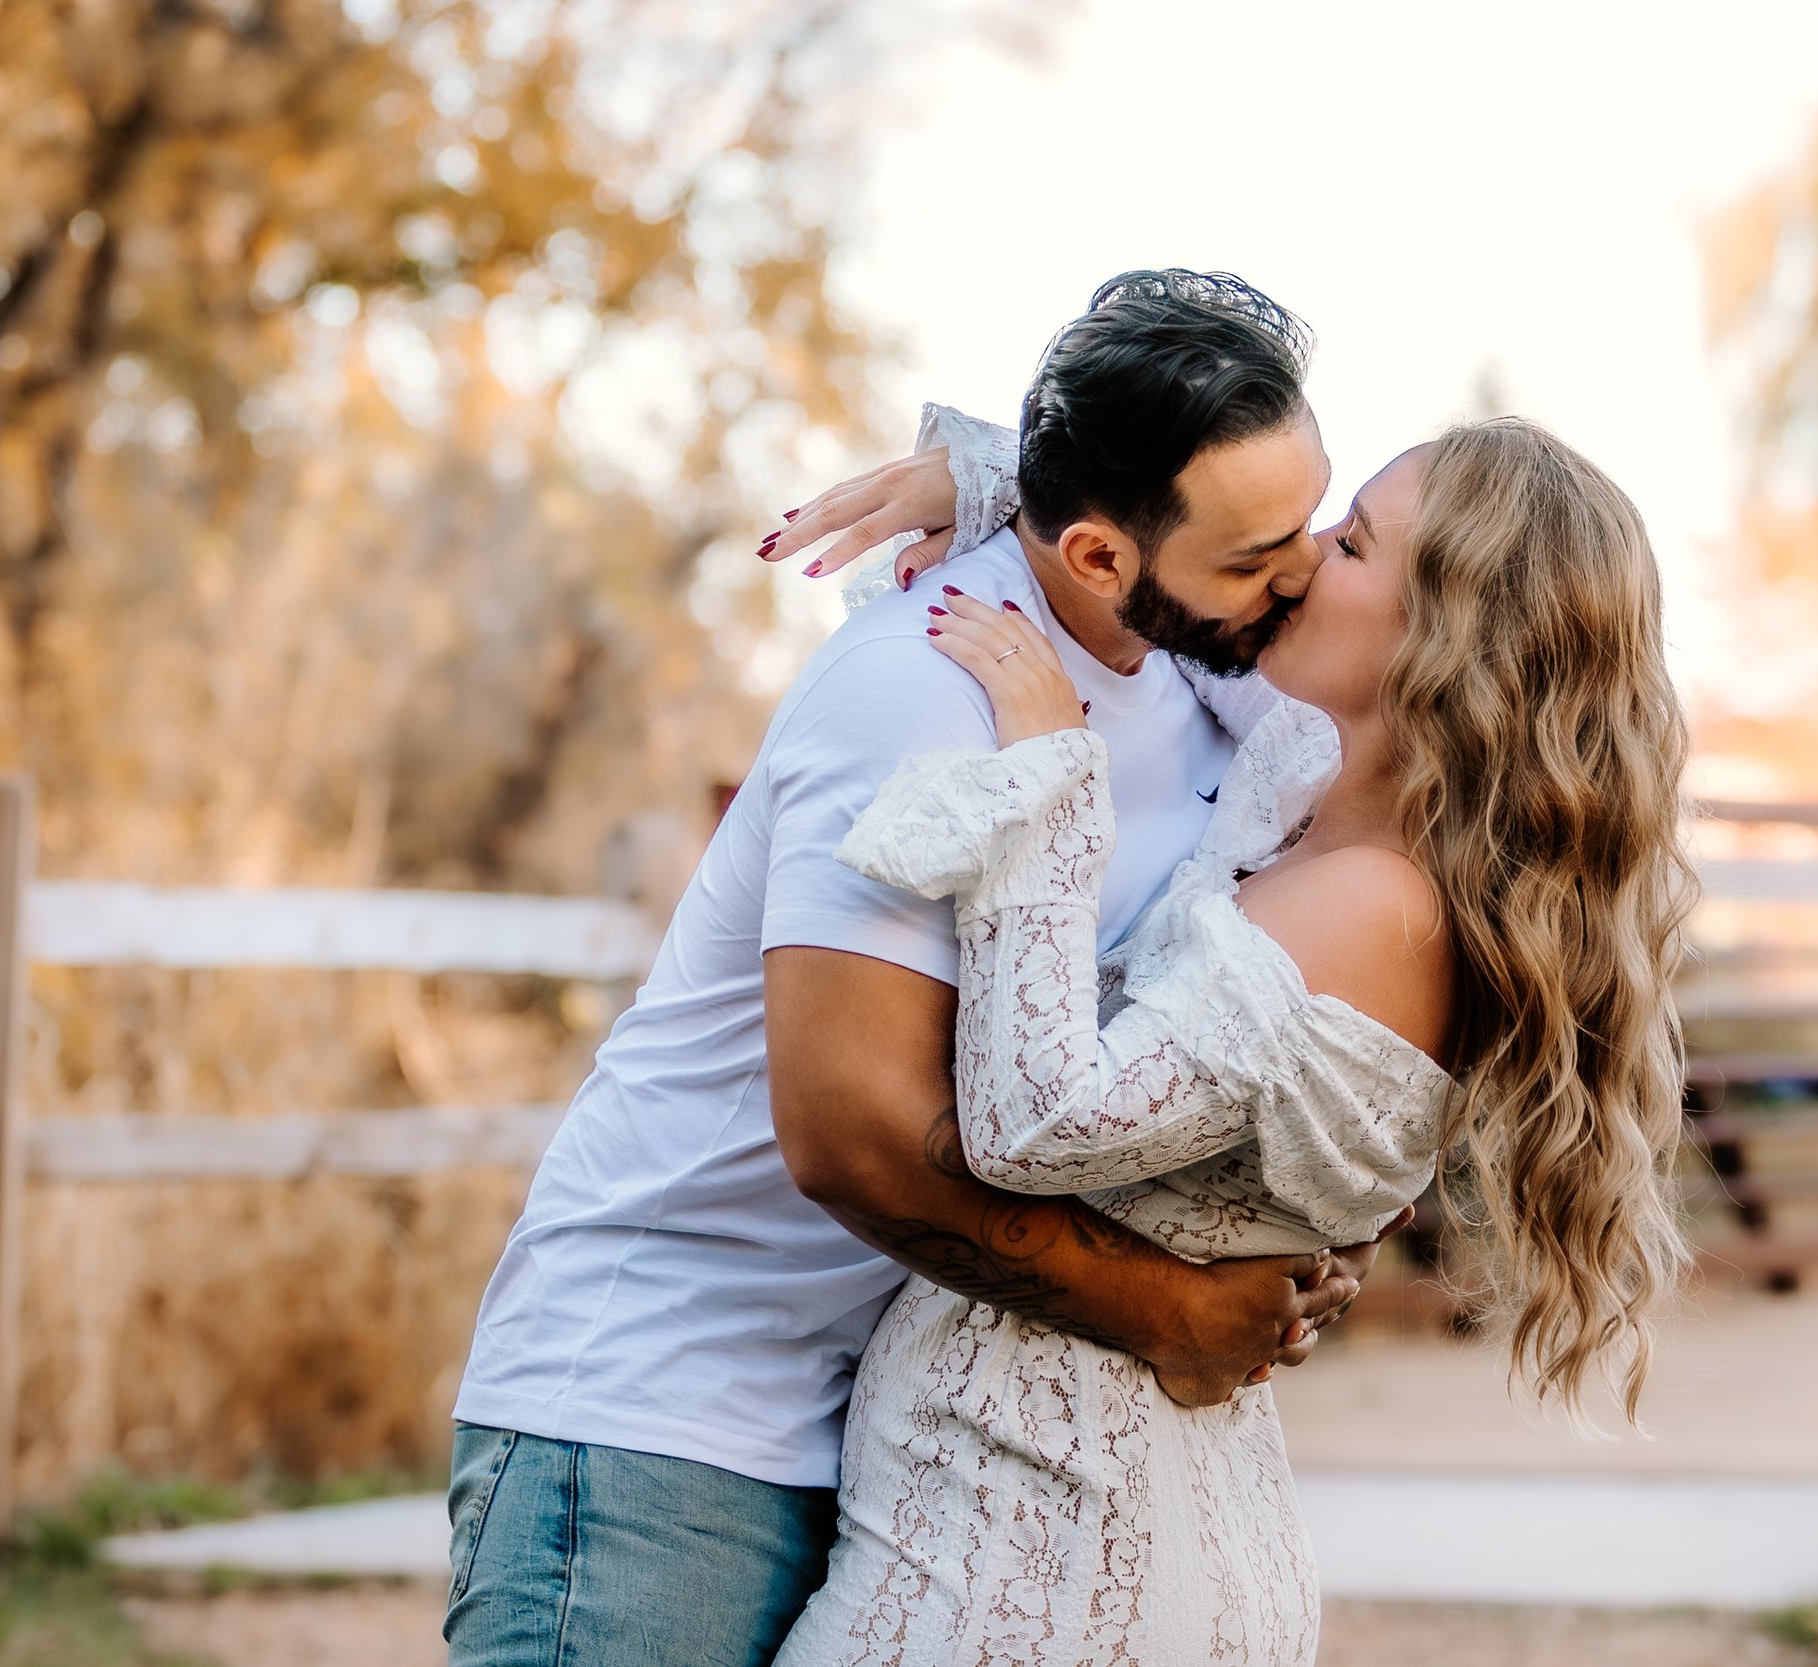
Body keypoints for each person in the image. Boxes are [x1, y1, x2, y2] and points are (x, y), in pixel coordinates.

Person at [443, 272, 1397, 1667]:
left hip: (877, 1417)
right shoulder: (925, 678)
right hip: (659, 1407)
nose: (1302, 567)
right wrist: (1174, 1307)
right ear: (1095, 557)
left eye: (1311, 524)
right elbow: (851, 1136)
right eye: (1259, 554)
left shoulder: (1205, 672)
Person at [761, 410, 1699, 1664]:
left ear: (1442, 643)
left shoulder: (1374, 904)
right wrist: (1017, 483)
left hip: (1036, 1562)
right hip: (1065, 1526)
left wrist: (1051, 782)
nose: (1300, 557)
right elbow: (1174, 581)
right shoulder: (1309, 804)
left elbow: (1037, 1120)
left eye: (1352, 543)